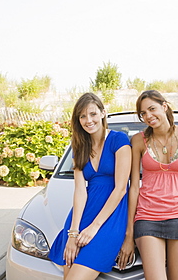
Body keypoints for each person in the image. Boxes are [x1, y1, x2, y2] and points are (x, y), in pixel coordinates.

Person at [118, 90, 178, 280]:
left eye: (152, 109)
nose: (148, 116)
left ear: (164, 106)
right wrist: (129, 236)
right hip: (147, 217)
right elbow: (134, 188)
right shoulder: (138, 141)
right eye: (143, 113)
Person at [49, 92, 131, 280]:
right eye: (83, 116)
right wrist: (73, 233)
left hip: (110, 217)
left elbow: (120, 189)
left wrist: (94, 227)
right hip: (83, 214)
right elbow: (79, 191)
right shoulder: (79, 146)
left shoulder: (119, 140)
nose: (88, 120)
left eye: (93, 114)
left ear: (103, 113)